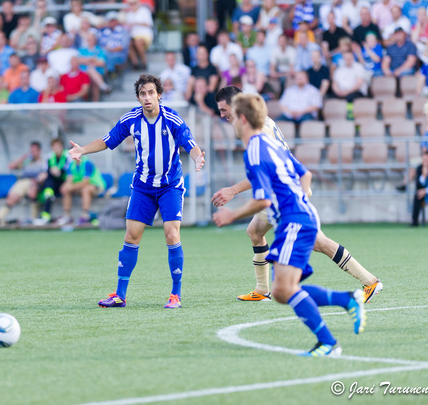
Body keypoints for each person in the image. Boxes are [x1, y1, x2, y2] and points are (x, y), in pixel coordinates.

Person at [213, 92, 366, 357]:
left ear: (244, 119)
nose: (230, 122)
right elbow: (304, 173)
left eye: (232, 116)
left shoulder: (255, 151)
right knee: (283, 290)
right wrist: (300, 199)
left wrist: (231, 215)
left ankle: (329, 341)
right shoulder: (269, 144)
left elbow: (262, 201)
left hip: (294, 221)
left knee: (283, 289)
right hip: (298, 217)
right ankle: (346, 301)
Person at [68, 74, 205, 309]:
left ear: (159, 95)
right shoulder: (131, 119)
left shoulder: (172, 118)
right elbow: (108, 140)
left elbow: (189, 143)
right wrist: (83, 149)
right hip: (142, 187)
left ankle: (175, 294)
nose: (147, 97)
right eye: (143, 93)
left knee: (172, 235)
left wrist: (198, 157)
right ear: (139, 97)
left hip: (170, 186)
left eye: (151, 92)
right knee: (131, 236)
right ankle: (120, 295)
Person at [0, 141, 47, 226]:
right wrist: (22, 158)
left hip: (36, 182)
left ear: (39, 151)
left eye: (35, 151)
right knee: (12, 197)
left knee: (33, 192)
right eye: (31, 151)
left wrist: (37, 181)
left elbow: (45, 175)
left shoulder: (43, 162)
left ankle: (34, 219)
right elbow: (11, 166)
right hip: (23, 182)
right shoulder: (26, 161)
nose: (33, 153)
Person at [58, 156, 105, 226]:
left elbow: (85, 182)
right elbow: (69, 180)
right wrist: (66, 186)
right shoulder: (71, 165)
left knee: (85, 189)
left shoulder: (87, 163)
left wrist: (71, 187)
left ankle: (85, 214)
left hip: (96, 187)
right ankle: (67, 215)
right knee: (67, 190)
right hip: (81, 187)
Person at [36, 138, 70, 224]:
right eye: (54, 147)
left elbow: (69, 170)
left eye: (57, 147)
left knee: (55, 188)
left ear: (62, 147)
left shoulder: (67, 155)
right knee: (47, 185)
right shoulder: (49, 157)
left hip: (64, 181)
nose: (56, 149)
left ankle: (66, 216)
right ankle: (46, 216)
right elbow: (45, 171)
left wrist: (58, 172)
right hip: (52, 183)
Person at [411, 151, 428, 227]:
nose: (425, 161)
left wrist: (425, 191)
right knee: (417, 195)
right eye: (424, 160)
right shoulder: (419, 168)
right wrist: (424, 175)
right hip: (423, 193)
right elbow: (418, 185)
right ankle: (415, 221)